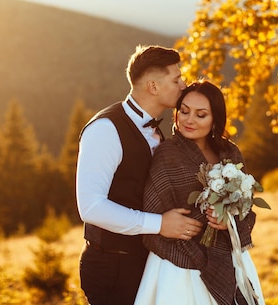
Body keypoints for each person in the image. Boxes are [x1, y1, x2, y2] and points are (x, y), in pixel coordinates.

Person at [76, 45, 204, 305]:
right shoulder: (105, 129)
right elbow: (90, 207)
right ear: (153, 87)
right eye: (176, 79)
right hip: (113, 265)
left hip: (147, 263)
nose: (183, 85)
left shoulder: (157, 131)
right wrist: (160, 224)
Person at [134, 80, 266, 305]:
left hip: (228, 256)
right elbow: (152, 208)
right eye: (184, 111)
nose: (189, 120)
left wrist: (228, 221)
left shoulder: (230, 152)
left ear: (215, 118)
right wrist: (168, 224)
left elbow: (246, 208)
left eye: (200, 114)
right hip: (180, 262)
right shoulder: (167, 154)